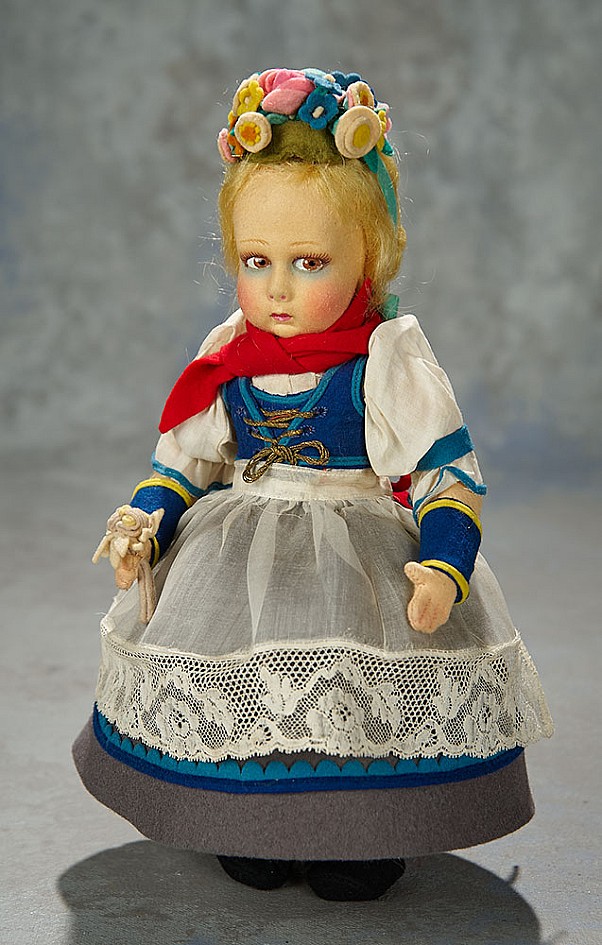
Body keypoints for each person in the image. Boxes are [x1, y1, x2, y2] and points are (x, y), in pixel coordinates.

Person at [73, 68, 553, 901]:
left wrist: (444, 566)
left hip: (356, 548)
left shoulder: (384, 357)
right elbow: (185, 462)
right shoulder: (232, 353)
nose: (279, 287)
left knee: (351, 696)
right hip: (239, 545)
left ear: (371, 257)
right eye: (256, 260)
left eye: (310, 261)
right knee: (248, 678)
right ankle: (250, 822)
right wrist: (144, 524)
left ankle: (358, 840)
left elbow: (445, 472)